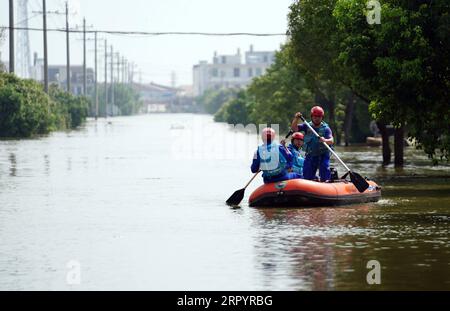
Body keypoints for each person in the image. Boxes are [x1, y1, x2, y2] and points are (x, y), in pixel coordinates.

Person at [291, 106, 334, 182]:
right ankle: (314, 179)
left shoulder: (326, 128)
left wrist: (325, 140)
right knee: (307, 175)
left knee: (324, 169)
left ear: (322, 117)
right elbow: (294, 129)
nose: (317, 118)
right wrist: (296, 118)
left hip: (323, 155)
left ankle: (325, 181)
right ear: (312, 117)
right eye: (315, 116)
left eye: (319, 117)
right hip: (311, 155)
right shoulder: (307, 126)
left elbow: (331, 140)